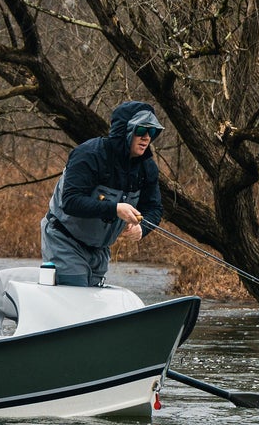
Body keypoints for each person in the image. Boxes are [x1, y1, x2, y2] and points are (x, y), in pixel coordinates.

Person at [40, 101, 165, 287]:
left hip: (100, 249)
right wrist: (115, 208)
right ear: (125, 130)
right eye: (141, 130)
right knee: (76, 296)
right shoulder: (89, 154)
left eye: (152, 132)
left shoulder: (147, 168)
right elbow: (70, 201)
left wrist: (142, 228)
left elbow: (154, 207)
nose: (146, 137)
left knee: (92, 301)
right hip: (64, 239)